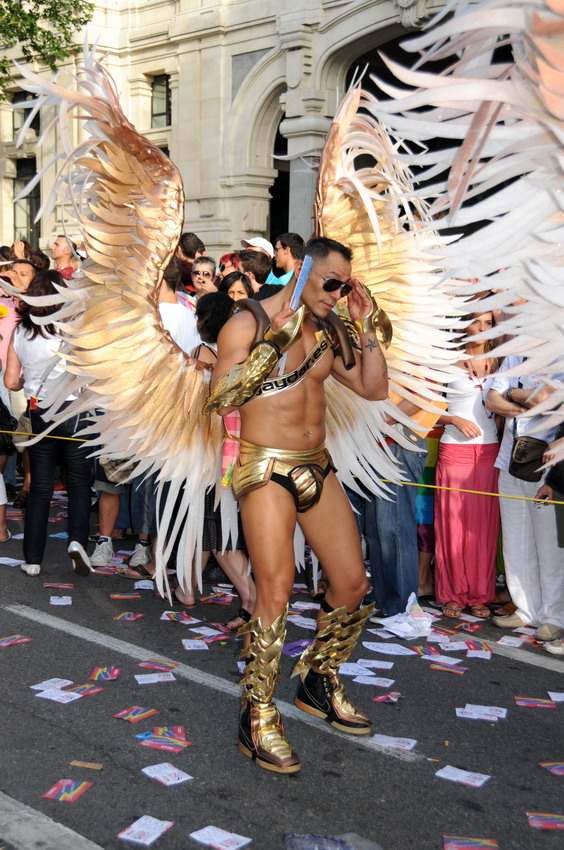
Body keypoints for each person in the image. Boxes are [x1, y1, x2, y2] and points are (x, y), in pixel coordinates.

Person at [205, 236, 388, 773]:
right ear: (303, 271)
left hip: (316, 462)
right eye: (331, 283)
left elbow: (374, 389)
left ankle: (318, 679)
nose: (338, 293)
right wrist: (273, 342)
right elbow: (219, 399)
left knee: (352, 584)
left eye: (345, 286)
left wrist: (368, 326)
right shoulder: (247, 322)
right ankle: (257, 713)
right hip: (265, 466)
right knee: (276, 587)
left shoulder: (330, 327)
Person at [4, 270, 93, 577]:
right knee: (79, 484)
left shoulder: (20, 332)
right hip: (74, 411)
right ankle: (77, 541)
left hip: (39, 411)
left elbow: (11, 381)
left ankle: (32, 559)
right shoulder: (74, 328)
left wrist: (31, 382)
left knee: (41, 489)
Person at [486, 358, 564, 641]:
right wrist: (532, 403)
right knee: (516, 542)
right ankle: (525, 609)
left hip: (547, 467)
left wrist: (513, 394)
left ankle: (553, 616)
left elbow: (548, 400)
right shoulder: (513, 355)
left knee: (549, 548)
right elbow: (492, 401)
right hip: (509, 461)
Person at [433, 311, 500, 618]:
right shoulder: (446, 361)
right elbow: (421, 409)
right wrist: (453, 419)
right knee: (452, 527)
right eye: (477, 321)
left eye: (488, 323)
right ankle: (452, 594)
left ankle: (480, 595)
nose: (482, 328)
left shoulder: (502, 362)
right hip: (454, 452)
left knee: (482, 529)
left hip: (489, 454)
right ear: (466, 324)